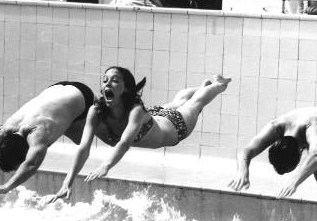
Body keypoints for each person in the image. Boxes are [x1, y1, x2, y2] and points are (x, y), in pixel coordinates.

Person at [48, 67, 231, 203]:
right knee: (180, 99)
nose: (107, 84)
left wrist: (106, 165)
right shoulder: (96, 111)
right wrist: (67, 182)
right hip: (156, 115)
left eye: (114, 80)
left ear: (126, 88)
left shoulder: (135, 110)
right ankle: (202, 86)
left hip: (175, 126)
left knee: (195, 103)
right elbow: (83, 147)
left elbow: (124, 143)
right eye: (105, 81)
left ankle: (219, 84)